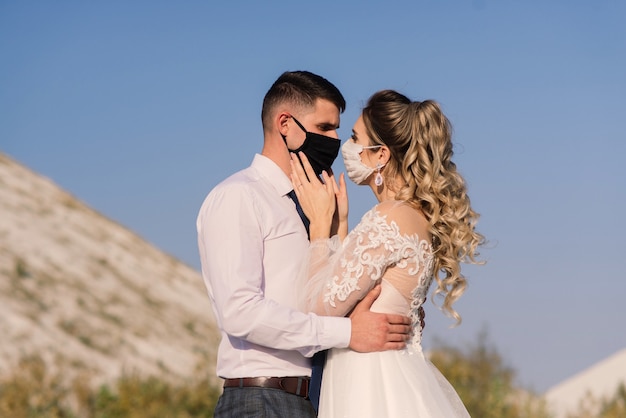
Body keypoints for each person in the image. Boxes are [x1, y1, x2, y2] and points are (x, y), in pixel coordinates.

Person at [196, 72, 413, 417]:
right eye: (325, 128)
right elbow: (241, 312)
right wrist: (347, 332)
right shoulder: (239, 197)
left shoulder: (313, 206)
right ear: (285, 124)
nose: (336, 140)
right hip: (262, 399)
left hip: (314, 400)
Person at [290, 89, 485, 417]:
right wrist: (342, 232)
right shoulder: (417, 217)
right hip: (397, 376)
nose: (347, 149)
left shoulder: (388, 217)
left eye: (354, 138)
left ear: (381, 154)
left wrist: (320, 229)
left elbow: (316, 311)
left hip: (371, 384)